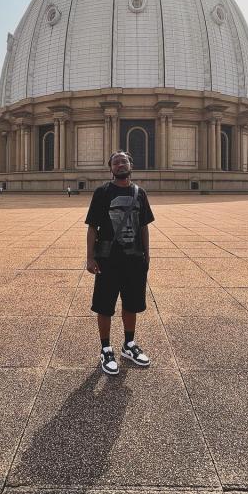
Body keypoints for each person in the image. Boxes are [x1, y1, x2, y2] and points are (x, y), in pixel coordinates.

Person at [85, 150, 154, 376]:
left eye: (124, 161)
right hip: (108, 259)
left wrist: (147, 255)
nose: (120, 164)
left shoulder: (140, 193)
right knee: (104, 305)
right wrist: (90, 256)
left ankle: (129, 345)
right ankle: (106, 348)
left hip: (135, 258)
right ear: (111, 168)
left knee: (131, 304)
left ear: (131, 164)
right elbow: (92, 227)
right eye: (116, 162)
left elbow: (144, 226)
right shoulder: (102, 192)